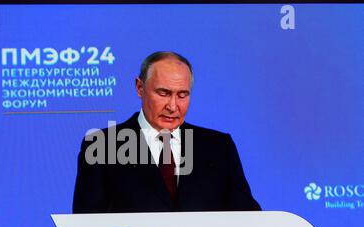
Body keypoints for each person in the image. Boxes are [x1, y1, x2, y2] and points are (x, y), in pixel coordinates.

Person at [73, 51, 261, 215]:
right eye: (163, 93)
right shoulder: (102, 146)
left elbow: (248, 218)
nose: (172, 106)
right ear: (140, 88)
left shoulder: (219, 147)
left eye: (182, 95)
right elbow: (86, 225)